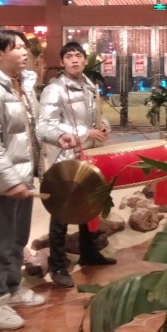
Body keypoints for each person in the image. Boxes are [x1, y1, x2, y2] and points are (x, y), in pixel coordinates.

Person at [0, 29, 76, 331]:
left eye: (24, 46)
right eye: (17, 47)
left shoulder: (23, 87)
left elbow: (36, 127)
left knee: (17, 239)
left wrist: (58, 135)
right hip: (1, 184)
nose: (25, 51)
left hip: (23, 178)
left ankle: (12, 288)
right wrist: (8, 181)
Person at [37, 42, 115, 290]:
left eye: (78, 55)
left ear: (84, 60)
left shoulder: (89, 86)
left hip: (86, 156)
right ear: (62, 62)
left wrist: (103, 127)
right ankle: (58, 265)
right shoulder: (54, 90)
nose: (74, 59)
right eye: (69, 56)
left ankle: (88, 252)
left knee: (87, 205)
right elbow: (45, 127)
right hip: (64, 159)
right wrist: (84, 132)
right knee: (61, 212)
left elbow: (95, 117)